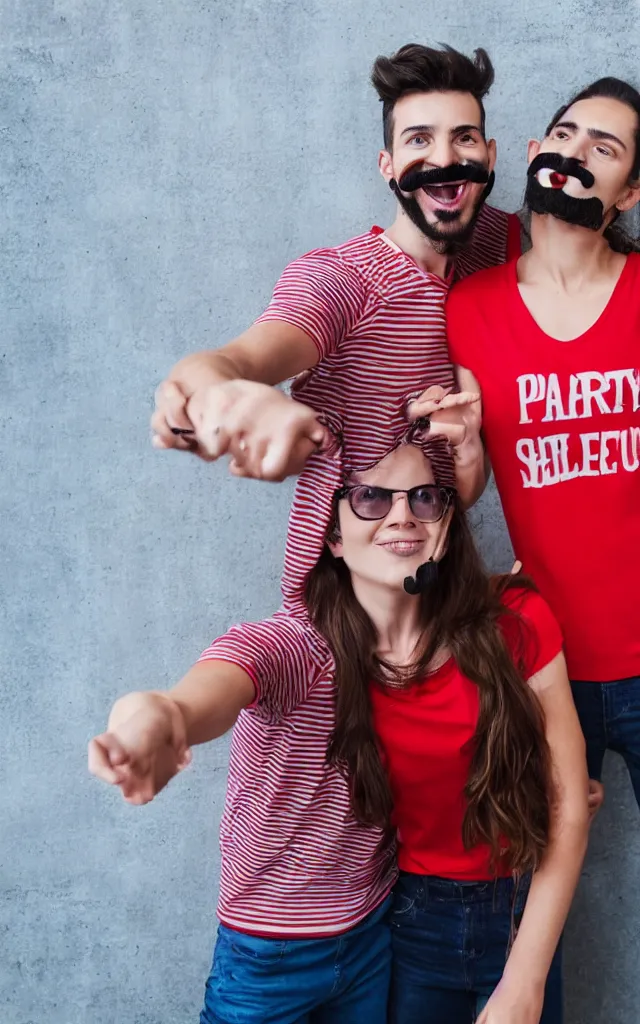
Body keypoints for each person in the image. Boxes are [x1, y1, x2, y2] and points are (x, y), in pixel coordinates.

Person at [89, 441, 589, 1024]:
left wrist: (523, 982)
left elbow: (563, 800)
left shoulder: (513, 619)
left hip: (439, 923)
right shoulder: (309, 651)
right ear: (330, 536)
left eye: (424, 498)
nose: (401, 514)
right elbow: (220, 679)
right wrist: (160, 717)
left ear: (447, 526)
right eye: (371, 497)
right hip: (377, 926)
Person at [150, 42, 522, 505]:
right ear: (387, 166)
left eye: (463, 137)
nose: (444, 160)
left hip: (446, 562)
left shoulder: (497, 245)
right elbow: (232, 362)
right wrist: (217, 396)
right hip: (345, 572)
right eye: (419, 140)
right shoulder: (343, 279)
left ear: (489, 157)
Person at [446, 77, 640, 811]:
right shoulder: (471, 307)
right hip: (544, 658)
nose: (576, 152)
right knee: (536, 878)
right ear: (534, 153)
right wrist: (464, 446)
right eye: (565, 136)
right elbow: (471, 490)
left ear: (629, 193)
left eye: (604, 146)